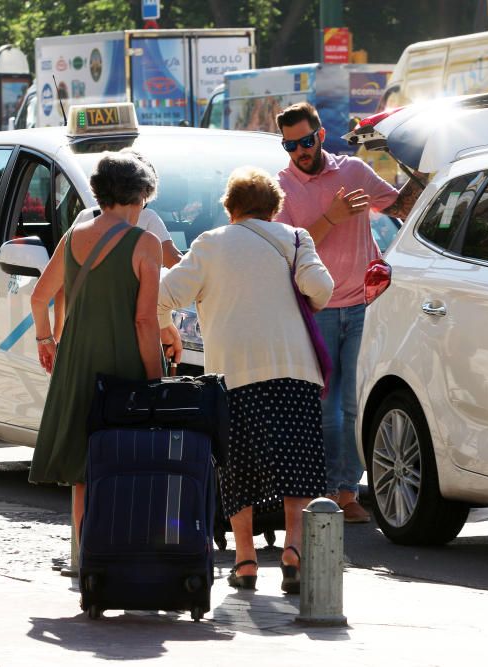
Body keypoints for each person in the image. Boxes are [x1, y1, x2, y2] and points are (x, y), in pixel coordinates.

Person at [158, 166, 333, 594]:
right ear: (274, 208)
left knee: (237, 468)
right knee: (299, 464)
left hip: (234, 374)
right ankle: (293, 551)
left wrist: (167, 328)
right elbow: (322, 289)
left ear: (229, 208)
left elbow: (166, 293)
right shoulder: (295, 238)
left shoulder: (210, 243)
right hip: (294, 368)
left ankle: (246, 561)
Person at [274, 102, 426, 523]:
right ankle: (324, 492)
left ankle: (346, 490)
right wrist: (332, 216)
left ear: (321, 135)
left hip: (363, 303)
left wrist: (429, 173)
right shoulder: (283, 187)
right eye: (291, 146)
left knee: (353, 404)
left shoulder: (353, 171)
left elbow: (400, 207)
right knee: (325, 407)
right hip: (317, 309)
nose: (300, 152)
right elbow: (291, 248)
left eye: (306, 141)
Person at [28, 151, 180, 542]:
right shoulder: (145, 243)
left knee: (84, 465)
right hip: (122, 358)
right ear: (141, 194)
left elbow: (39, 296)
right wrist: (155, 380)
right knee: (125, 456)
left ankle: (86, 556)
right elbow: (145, 321)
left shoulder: (73, 236)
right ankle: (122, 550)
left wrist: (47, 341)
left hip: (76, 360)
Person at [70, 149, 182, 268]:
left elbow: (61, 276)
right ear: (140, 191)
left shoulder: (84, 218)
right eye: (145, 196)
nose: (142, 205)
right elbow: (175, 263)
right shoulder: (148, 218)